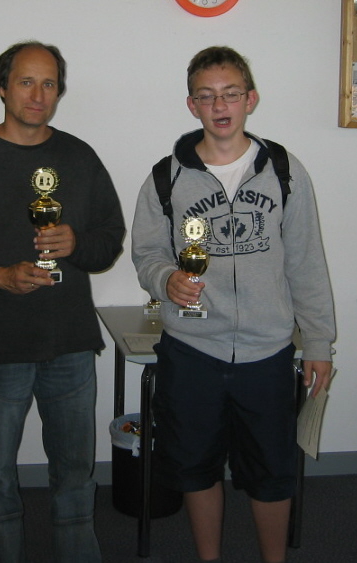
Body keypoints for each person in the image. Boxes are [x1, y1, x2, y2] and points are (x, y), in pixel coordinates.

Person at [131, 46, 336, 563]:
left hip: (267, 353)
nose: (219, 105)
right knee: (196, 468)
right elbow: (147, 254)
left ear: (251, 99)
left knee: (272, 472)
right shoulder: (165, 177)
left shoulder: (284, 171)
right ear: (191, 105)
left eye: (230, 94)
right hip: (192, 351)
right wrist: (166, 280)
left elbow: (306, 262)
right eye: (206, 96)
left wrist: (318, 342)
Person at [0, 41, 125, 562]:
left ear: (59, 91)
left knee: (75, 477)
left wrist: (77, 243)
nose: (38, 95)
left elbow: (110, 239)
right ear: (2, 87)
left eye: (49, 83)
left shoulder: (79, 157)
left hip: (70, 343)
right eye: (26, 82)